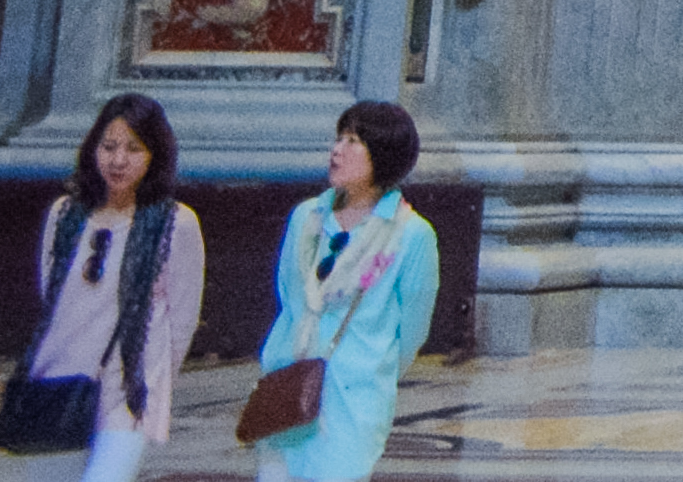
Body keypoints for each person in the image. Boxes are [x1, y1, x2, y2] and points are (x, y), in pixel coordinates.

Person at [241, 104, 428, 482]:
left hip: (353, 397)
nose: (337, 150)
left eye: (353, 142)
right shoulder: (306, 216)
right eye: (338, 138)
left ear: (384, 154)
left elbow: (413, 328)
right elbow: (288, 294)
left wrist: (369, 365)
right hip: (288, 381)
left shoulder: (411, 234)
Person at [26, 96, 207, 482]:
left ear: (154, 155)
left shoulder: (176, 223)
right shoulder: (65, 214)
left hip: (128, 390)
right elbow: (52, 297)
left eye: (133, 149)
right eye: (108, 147)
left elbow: (183, 320)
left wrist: (153, 383)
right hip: (59, 381)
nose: (118, 160)